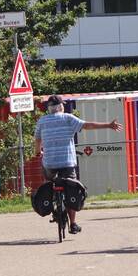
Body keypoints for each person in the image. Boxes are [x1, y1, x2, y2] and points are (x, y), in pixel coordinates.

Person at [33, 95, 122, 234]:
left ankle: (52, 202)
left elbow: (38, 140)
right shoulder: (68, 118)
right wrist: (108, 125)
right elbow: (87, 125)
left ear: (49, 109)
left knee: (48, 181)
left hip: (50, 163)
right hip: (67, 162)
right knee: (71, 189)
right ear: (61, 107)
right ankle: (73, 223)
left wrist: (38, 152)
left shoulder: (42, 121)